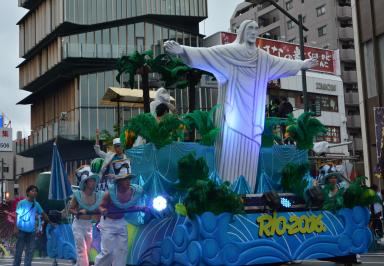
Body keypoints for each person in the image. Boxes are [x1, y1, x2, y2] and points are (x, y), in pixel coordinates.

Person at [164, 19, 317, 190]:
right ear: (243, 31)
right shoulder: (230, 52)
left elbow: (282, 63)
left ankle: (248, 192)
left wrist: (301, 65)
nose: (253, 31)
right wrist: (183, 50)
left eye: (256, 28)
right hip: (232, 118)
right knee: (229, 157)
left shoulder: (263, 58)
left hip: (253, 119)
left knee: (249, 157)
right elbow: (206, 54)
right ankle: (227, 192)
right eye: (250, 28)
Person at [94, 160, 148, 266]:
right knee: (108, 252)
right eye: (125, 179)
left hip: (121, 222)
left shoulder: (132, 192)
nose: (128, 182)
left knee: (122, 251)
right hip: (108, 223)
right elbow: (100, 206)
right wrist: (103, 210)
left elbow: (129, 206)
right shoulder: (109, 193)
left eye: (129, 179)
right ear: (119, 181)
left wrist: (142, 208)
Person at [13, 185, 55, 266]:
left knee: (30, 252)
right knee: (19, 252)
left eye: (36, 191)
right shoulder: (21, 203)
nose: (34, 192)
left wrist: (50, 222)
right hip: (21, 231)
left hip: (31, 232)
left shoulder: (37, 204)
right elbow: (17, 215)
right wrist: (15, 228)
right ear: (28, 192)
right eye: (32, 191)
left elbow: (43, 214)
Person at [69, 169, 103, 266]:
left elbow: (98, 210)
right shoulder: (78, 194)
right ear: (85, 182)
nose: (93, 183)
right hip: (78, 225)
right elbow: (71, 209)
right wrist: (78, 212)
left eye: (94, 181)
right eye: (91, 180)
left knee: (85, 251)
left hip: (89, 225)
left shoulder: (97, 196)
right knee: (82, 250)